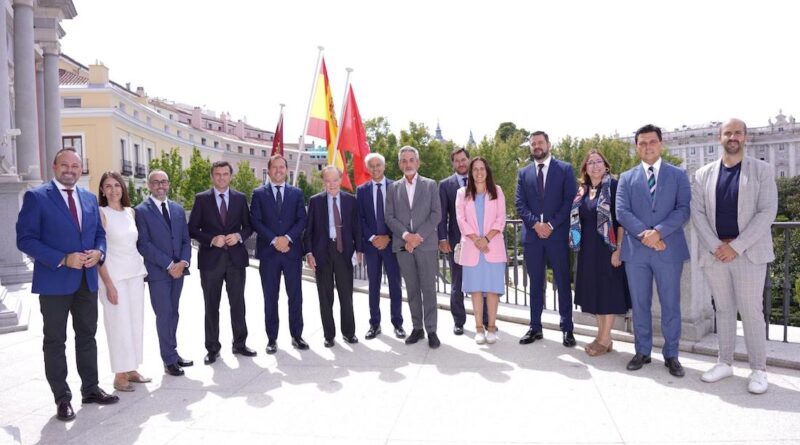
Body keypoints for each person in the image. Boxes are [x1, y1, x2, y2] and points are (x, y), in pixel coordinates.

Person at [16, 148, 118, 422]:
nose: (71, 170)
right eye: (65, 165)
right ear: (54, 166)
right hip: (54, 282)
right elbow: (25, 240)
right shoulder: (37, 198)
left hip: (87, 280)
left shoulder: (87, 197)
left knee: (87, 337)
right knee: (55, 341)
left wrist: (99, 252)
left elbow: (99, 234)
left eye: (75, 165)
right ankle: (62, 398)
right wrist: (62, 259)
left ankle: (91, 388)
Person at [691, 118, 777, 394]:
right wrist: (717, 245)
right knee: (724, 310)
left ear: (745, 138)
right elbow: (698, 213)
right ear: (720, 137)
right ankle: (724, 362)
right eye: (728, 132)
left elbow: (767, 212)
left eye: (738, 132)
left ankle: (759, 369)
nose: (733, 137)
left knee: (751, 312)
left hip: (749, 254)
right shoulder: (703, 173)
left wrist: (736, 246)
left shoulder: (762, 170)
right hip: (716, 253)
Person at [616, 124, 691, 377]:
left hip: (668, 249)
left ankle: (671, 355)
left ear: (661, 144)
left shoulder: (678, 175)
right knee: (640, 304)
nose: (648, 147)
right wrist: (646, 235)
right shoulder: (626, 178)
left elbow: (683, 209)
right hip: (636, 253)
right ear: (636, 146)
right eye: (642, 143)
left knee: (671, 304)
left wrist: (657, 232)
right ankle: (642, 351)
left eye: (652, 142)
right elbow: (622, 212)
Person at [188, 161, 256, 365]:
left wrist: (238, 236)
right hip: (211, 260)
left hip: (235, 259)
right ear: (212, 177)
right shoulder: (201, 199)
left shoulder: (240, 198)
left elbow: (249, 226)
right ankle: (212, 348)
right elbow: (192, 229)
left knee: (238, 303)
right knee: (211, 305)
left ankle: (240, 344)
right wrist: (210, 239)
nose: (221, 178)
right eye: (217, 174)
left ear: (231, 176)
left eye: (225, 174)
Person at [515, 131, 578, 347]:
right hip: (533, 238)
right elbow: (519, 203)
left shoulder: (565, 169)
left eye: (540, 142)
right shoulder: (523, 173)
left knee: (562, 282)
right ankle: (535, 327)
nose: (537, 146)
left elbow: (569, 201)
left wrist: (550, 225)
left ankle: (567, 328)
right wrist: (536, 225)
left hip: (557, 235)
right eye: (533, 144)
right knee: (535, 284)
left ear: (548, 144)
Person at [568, 150, 630, 356]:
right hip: (587, 251)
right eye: (590, 163)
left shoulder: (613, 186)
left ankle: (604, 338)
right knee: (595, 294)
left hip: (607, 249)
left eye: (598, 162)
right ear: (585, 168)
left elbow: (620, 221)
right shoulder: (582, 191)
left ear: (606, 165)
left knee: (608, 294)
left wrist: (618, 249)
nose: (594, 166)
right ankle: (603, 335)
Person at [135, 170, 194, 377]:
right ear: (149, 185)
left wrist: (184, 263)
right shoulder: (141, 211)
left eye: (164, 182)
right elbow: (144, 244)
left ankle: (173, 352)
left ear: (168, 184)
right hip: (158, 273)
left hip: (179, 272)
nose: (160, 185)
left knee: (174, 312)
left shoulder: (177, 209)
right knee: (164, 314)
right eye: (156, 182)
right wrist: (170, 264)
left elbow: (186, 240)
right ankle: (168, 359)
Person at [96, 171, 150, 392]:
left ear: (123, 188)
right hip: (114, 277)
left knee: (135, 322)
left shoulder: (130, 212)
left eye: (117, 185)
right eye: (108, 186)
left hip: (135, 273)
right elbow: (98, 249)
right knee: (118, 325)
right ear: (102, 190)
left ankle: (131, 368)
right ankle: (119, 375)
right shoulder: (101, 213)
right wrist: (108, 284)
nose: (113, 190)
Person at [385, 146, 443, 348]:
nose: (408, 164)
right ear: (399, 164)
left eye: (411, 160)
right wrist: (406, 236)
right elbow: (389, 217)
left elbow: (436, 214)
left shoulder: (430, 185)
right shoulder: (393, 188)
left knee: (428, 288)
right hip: (403, 246)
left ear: (417, 163)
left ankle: (432, 330)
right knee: (411, 289)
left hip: (425, 245)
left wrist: (417, 237)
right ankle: (417, 328)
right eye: (404, 160)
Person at [251, 154, 309, 353]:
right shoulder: (258, 193)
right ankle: (272, 338)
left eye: (282, 167)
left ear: (286, 169)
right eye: (274, 167)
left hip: (291, 253)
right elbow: (256, 221)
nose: (278, 170)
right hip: (269, 253)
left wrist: (288, 239)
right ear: (269, 170)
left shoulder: (297, 193)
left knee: (295, 296)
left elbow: (302, 219)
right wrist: (275, 240)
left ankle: (297, 335)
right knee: (270, 297)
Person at [304, 166, 363, 348]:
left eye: (335, 180)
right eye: (328, 181)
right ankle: (329, 335)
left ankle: (349, 333)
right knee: (325, 295)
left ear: (340, 180)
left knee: (346, 294)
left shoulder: (351, 201)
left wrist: (359, 250)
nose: (332, 184)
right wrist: (308, 252)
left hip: (344, 251)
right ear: (324, 182)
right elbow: (309, 230)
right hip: (322, 251)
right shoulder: (315, 201)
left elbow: (357, 227)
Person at [455, 157, 507, 344]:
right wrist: (476, 240)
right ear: (470, 172)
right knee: (475, 290)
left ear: (487, 171)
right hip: (471, 248)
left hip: (493, 247)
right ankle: (478, 328)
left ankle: (491, 328)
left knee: (493, 290)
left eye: (482, 168)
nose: (478, 172)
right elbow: (461, 220)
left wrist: (486, 239)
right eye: (475, 169)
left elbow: (501, 219)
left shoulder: (497, 191)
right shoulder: (462, 193)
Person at [356, 153, 406, 339]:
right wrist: (371, 238)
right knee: (373, 286)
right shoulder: (361, 191)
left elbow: (401, 216)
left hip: (392, 245)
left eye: (378, 165)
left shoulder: (396, 187)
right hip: (372, 246)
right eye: (372, 166)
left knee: (395, 285)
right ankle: (374, 324)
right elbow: (359, 218)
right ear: (368, 169)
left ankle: (398, 323)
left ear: (384, 167)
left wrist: (388, 237)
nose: (375, 168)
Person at [439, 148, 487, 334]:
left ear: (469, 160)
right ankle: (459, 321)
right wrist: (442, 238)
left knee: (481, 282)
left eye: (463, 159)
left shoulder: (481, 180)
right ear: (453, 164)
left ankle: (483, 320)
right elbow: (442, 216)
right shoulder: (445, 185)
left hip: (480, 242)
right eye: (457, 161)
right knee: (457, 283)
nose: (461, 163)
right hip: (457, 242)